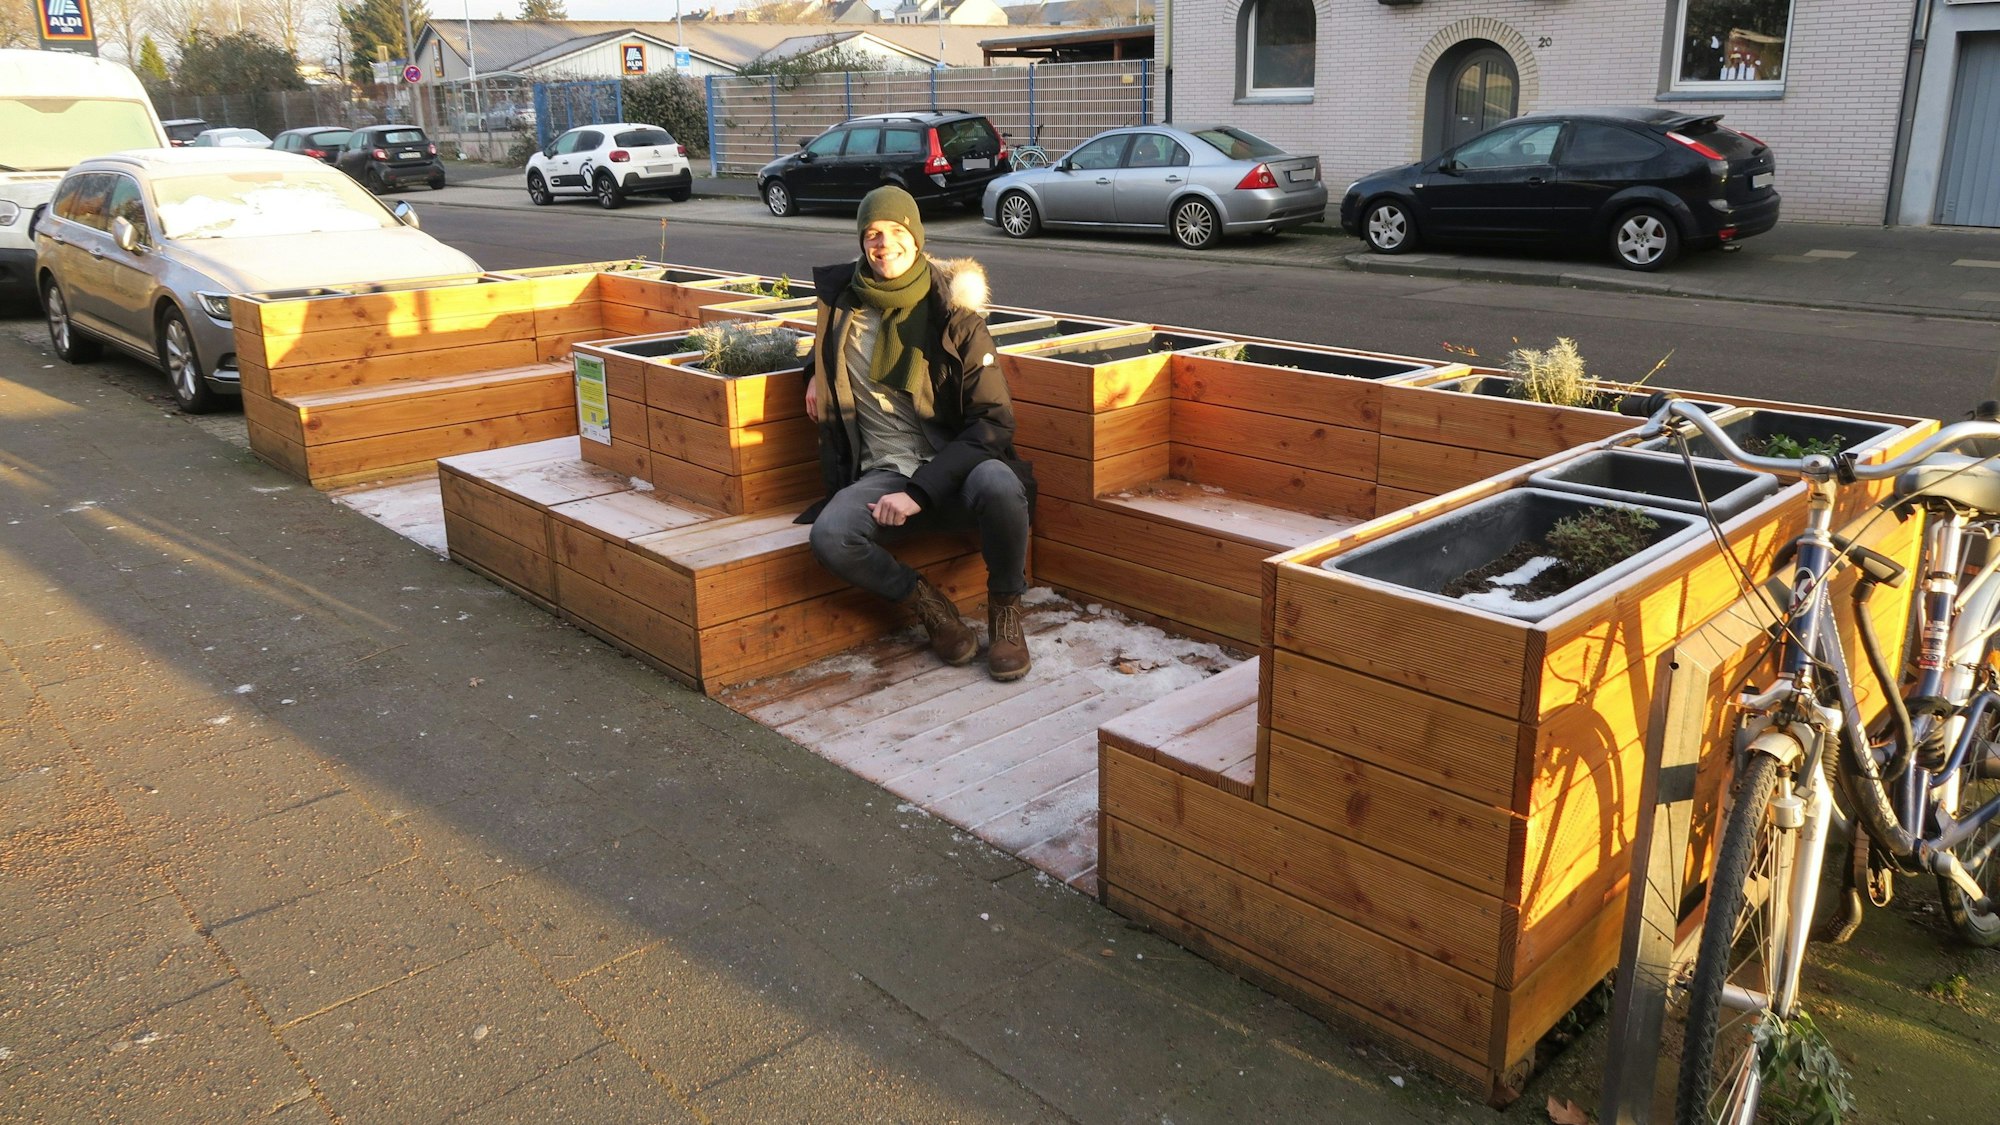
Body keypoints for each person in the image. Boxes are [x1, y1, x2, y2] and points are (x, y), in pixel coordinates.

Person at [796, 185, 1037, 681]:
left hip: (950, 468)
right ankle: (932, 609)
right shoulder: (843, 304)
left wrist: (920, 493)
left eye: (896, 232)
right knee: (831, 536)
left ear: (916, 236)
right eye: (873, 234)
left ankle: (1006, 612)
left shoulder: (956, 319)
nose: (884, 244)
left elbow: (993, 421)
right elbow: (820, 347)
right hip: (882, 469)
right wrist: (813, 374)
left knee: (1001, 484)